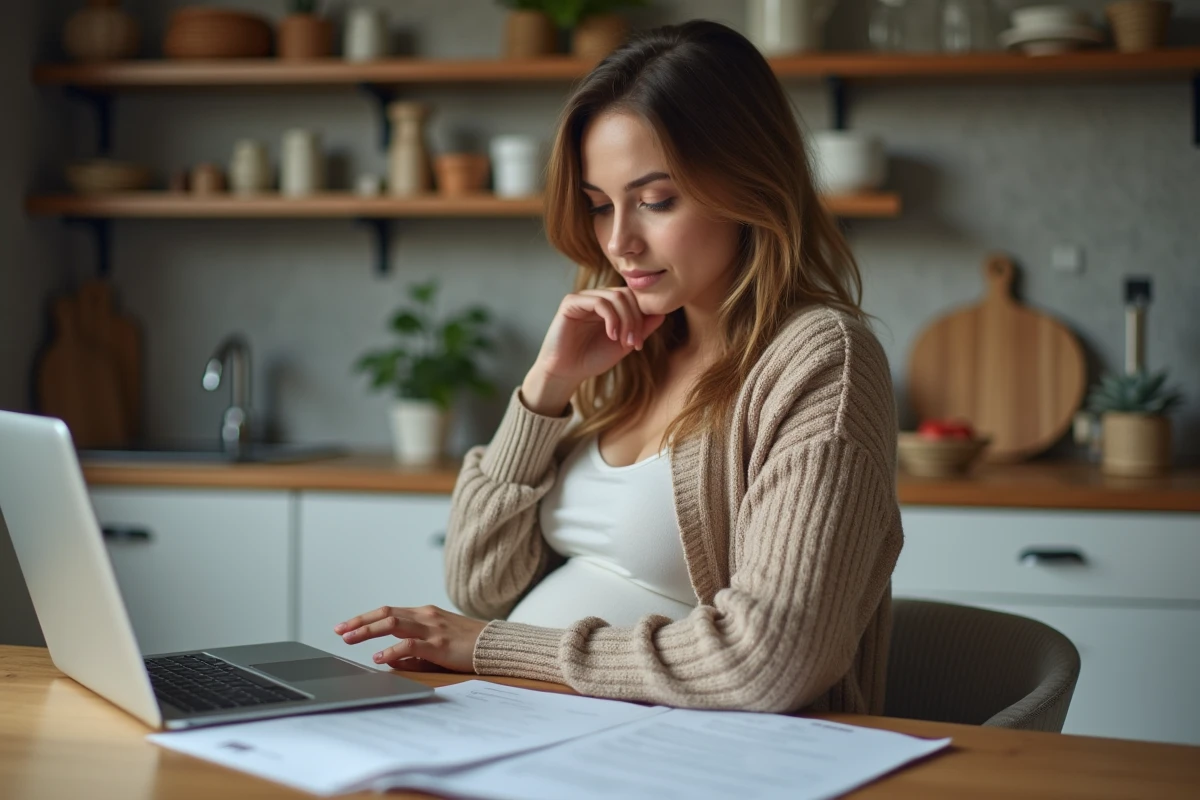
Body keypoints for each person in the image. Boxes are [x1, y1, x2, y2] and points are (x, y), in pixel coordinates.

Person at [334, 19, 903, 715]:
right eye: (601, 206)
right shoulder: (624, 351)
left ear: (751, 183)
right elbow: (479, 586)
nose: (619, 241)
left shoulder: (818, 360)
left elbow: (771, 661)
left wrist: (495, 648)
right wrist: (546, 389)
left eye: (656, 201)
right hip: (534, 727)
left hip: (696, 760)